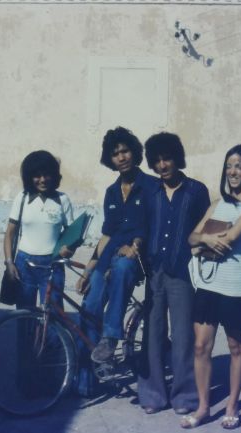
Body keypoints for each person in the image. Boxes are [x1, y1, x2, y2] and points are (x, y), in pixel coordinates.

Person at [180, 143, 241, 429]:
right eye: (229, 165)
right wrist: (204, 241)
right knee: (202, 346)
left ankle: (232, 405)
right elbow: (192, 238)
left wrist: (205, 241)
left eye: (239, 166)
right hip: (208, 283)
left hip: (235, 283)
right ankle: (204, 407)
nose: (233, 171)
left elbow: (231, 238)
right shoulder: (218, 204)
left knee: (236, 347)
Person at [74, 126, 156, 396]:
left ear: (135, 152)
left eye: (125, 150)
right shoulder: (111, 192)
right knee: (91, 305)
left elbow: (152, 224)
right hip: (110, 255)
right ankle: (89, 375)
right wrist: (89, 269)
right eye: (116, 153)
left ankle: (111, 336)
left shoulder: (151, 186)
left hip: (137, 257)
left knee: (122, 268)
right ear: (110, 159)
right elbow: (106, 235)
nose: (122, 157)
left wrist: (135, 246)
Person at [137, 132, 210, 416]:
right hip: (154, 271)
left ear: (177, 158)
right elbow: (142, 226)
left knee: (183, 336)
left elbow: (206, 228)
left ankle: (185, 396)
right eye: (156, 161)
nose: (162, 165)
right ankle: (153, 394)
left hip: (182, 272)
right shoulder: (150, 191)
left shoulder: (196, 190)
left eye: (167, 158)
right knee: (152, 334)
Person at [3, 150, 74, 309]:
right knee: (24, 314)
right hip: (24, 264)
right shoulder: (22, 198)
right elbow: (9, 233)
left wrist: (68, 249)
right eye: (37, 175)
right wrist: (9, 262)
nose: (42, 180)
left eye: (47, 175)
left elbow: (71, 234)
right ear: (29, 177)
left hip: (53, 264)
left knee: (53, 315)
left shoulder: (62, 200)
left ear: (54, 175)